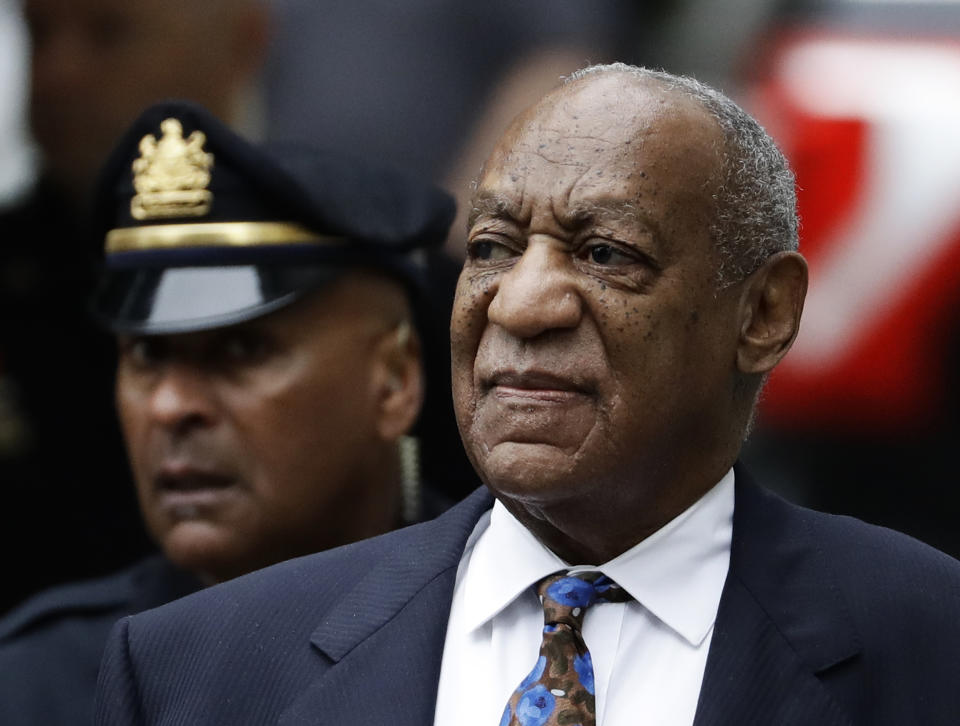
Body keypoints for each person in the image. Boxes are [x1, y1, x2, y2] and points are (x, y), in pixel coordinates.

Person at [95, 65, 960, 725]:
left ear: (764, 312)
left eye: (605, 253)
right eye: (493, 247)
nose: (519, 303)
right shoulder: (195, 672)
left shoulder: (928, 644)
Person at [0, 100, 462, 724]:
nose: (170, 406)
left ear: (395, 380)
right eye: (146, 354)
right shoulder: (40, 686)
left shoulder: (507, 634)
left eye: (242, 349)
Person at [0, 0, 272, 614]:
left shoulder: (357, 287)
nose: (56, 74)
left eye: (108, 32)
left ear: (243, 40)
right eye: (38, 34)